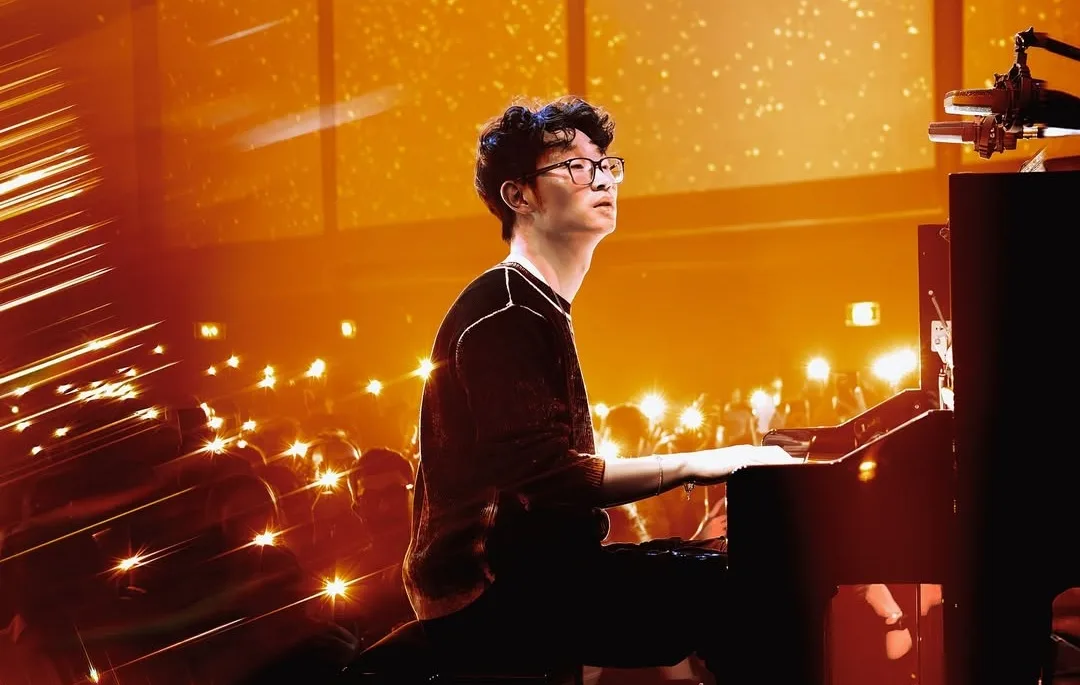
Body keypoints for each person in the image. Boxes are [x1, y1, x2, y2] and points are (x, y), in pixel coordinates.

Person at [399, 96, 801, 678]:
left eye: (607, 165)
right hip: (493, 591)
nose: (602, 179)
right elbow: (550, 477)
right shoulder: (507, 311)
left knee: (733, 570)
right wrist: (704, 462)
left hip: (539, 574)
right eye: (576, 166)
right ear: (519, 196)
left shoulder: (533, 304)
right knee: (747, 591)